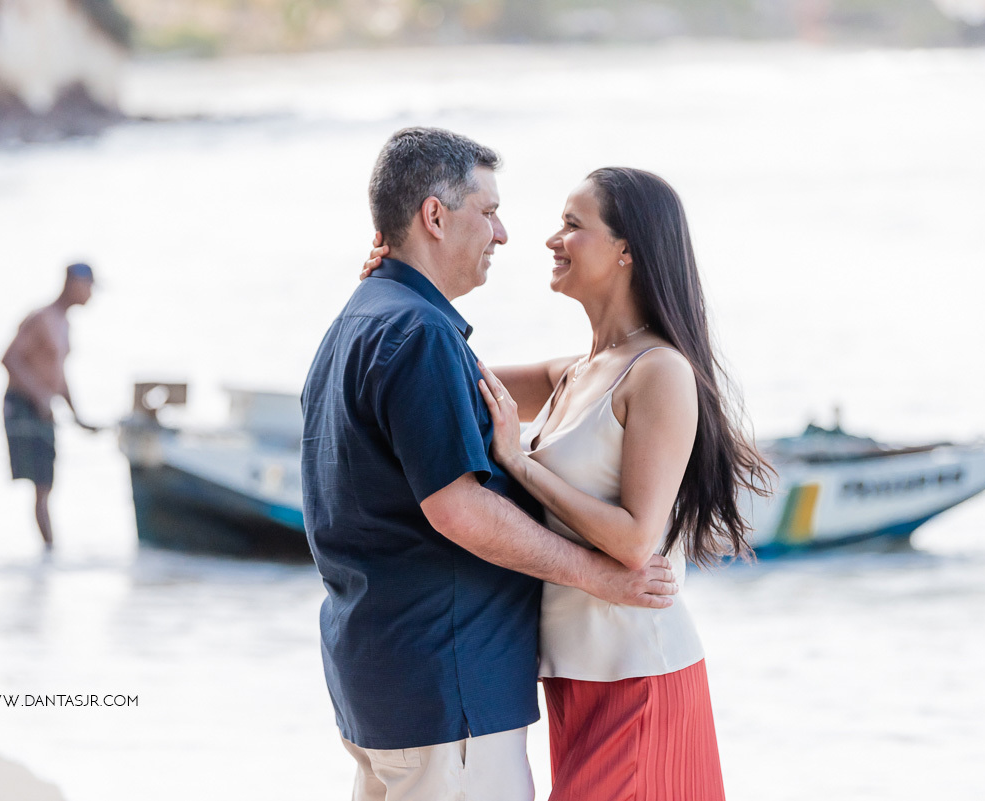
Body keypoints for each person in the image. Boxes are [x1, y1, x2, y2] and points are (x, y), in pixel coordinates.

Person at [365, 167, 770, 799]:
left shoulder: (659, 371)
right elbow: (430, 373)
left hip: (639, 676)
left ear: (626, 250)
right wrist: (395, 288)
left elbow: (637, 542)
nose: (552, 240)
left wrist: (521, 464)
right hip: (572, 679)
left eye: (573, 226)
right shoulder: (574, 372)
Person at [300, 129, 679, 801]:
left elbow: (495, 389)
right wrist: (601, 576)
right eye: (489, 210)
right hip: (450, 699)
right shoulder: (419, 333)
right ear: (435, 216)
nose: (503, 233)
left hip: (378, 687)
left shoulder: (363, 320)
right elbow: (459, 509)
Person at [1, 262, 100, 550]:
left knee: (47, 483)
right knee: (41, 486)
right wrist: (39, 396)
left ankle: (49, 554)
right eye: (89, 286)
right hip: (23, 406)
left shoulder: (65, 323)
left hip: (45, 408)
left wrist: (78, 416)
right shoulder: (41, 318)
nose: (91, 294)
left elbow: (58, 375)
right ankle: (49, 552)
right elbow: (9, 358)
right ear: (73, 283)